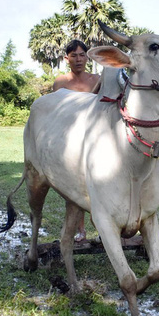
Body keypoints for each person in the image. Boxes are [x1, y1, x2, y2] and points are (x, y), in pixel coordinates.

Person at [51, 40, 101, 241]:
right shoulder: (60, 83)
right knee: (75, 188)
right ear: (67, 58)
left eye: (82, 55)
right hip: (71, 141)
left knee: (98, 185)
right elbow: (57, 113)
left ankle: (102, 226)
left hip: (96, 139)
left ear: (87, 57)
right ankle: (79, 230)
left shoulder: (97, 79)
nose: (78, 59)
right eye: (74, 56)